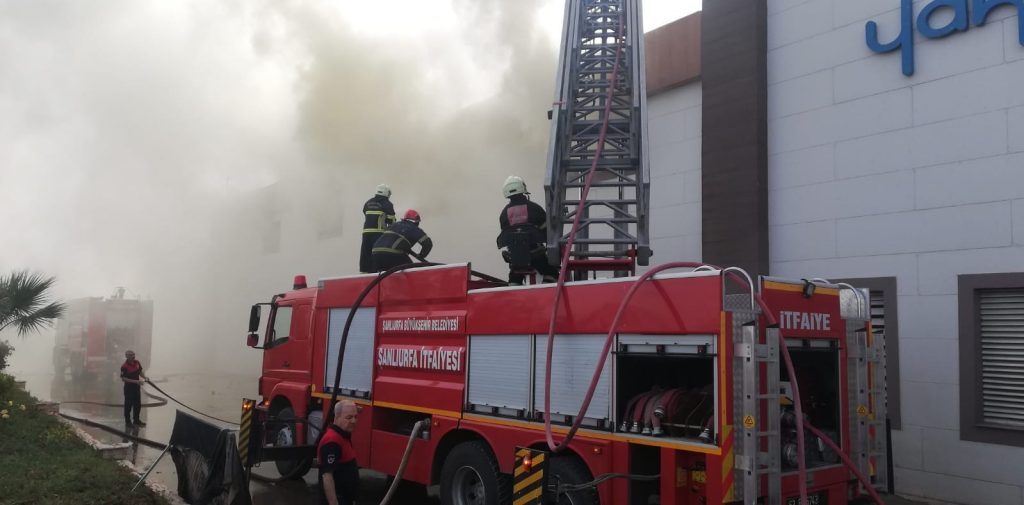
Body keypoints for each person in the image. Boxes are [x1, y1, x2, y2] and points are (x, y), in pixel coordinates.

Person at [496, 176, 559, 284]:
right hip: (536, 255)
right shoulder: (534, 208)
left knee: (515, 276)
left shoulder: (503, 214)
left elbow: (506, 235)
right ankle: (545, 291)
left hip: (515, 258)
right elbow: (548, 231)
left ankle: (514, 290)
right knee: (551, 272)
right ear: (523, 188)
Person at [318, 400, 360, 505]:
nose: (354, 421)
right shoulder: (332, 441)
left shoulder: (344, 436)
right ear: (337, 418)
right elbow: (327, 476)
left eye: (355, 417)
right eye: (349, 417)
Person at [360, 184, 396, 274]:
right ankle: (377, 272)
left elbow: (365, 213)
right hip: (378, 233)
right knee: (377, 253)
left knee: (366, 253)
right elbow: (391, 220)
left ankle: (364, 272)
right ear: (386, 192)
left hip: (366, 233)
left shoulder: (368, 202)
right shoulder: (387, 204)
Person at [120, 350, 147, 427]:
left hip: (136, 388)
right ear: (127, 356)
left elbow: (140, 372)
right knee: (128, 406)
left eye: (134, 355)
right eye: (131, 355)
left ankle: (136, 420)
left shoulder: (137, 363)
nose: (133, 356)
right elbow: (123, 378)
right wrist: (136, 381)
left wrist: (145, 377)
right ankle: (128, 422)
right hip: (129, 389)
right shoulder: (124, 366)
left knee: (137, 405)